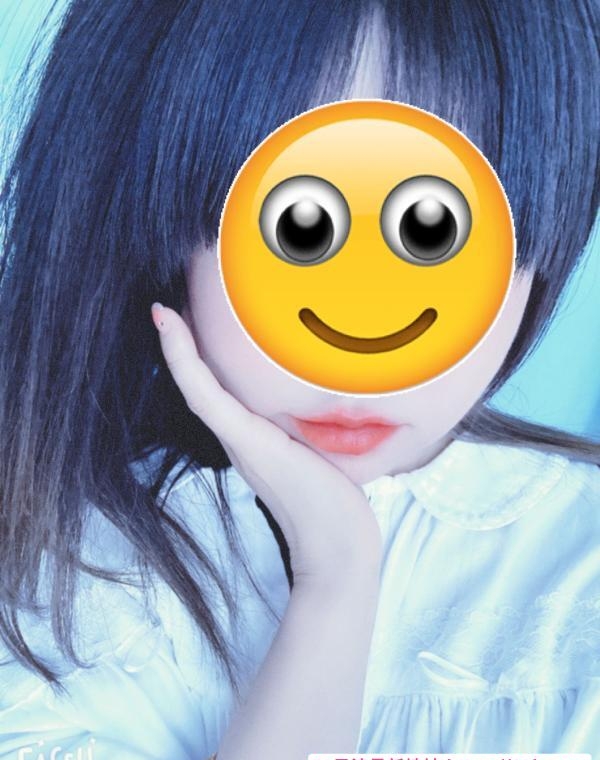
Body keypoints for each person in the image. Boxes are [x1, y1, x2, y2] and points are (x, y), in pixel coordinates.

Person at [0, 1, 599, 758]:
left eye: (432, 232)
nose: (360, 341)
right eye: (301, 230)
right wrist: (335, 579)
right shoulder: (52, 589)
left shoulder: (580, 567)